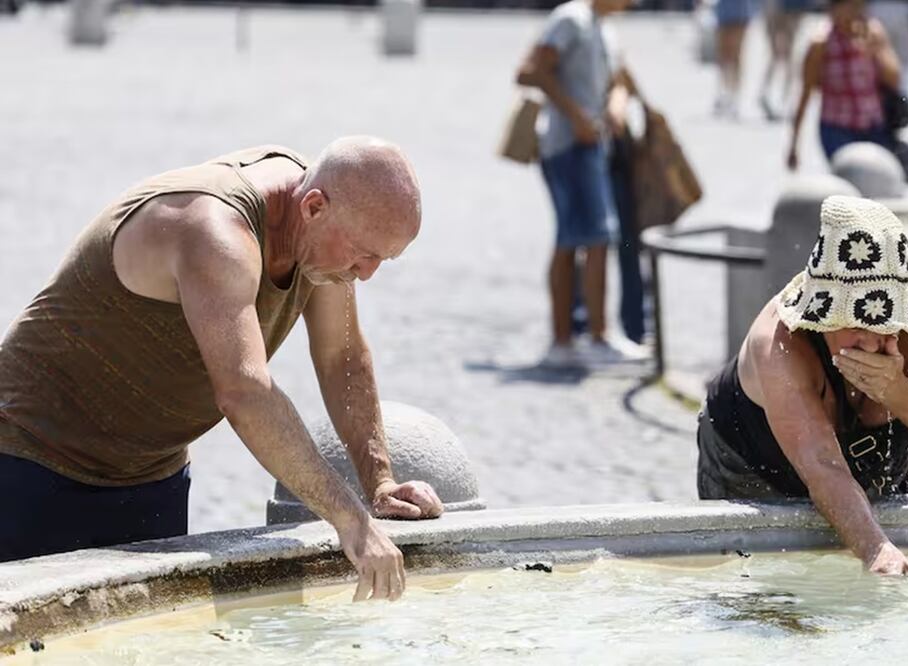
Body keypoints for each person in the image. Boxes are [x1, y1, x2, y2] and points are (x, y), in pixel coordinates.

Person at [0, 137, 444, 601]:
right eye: (365, 254)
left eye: (383, 259)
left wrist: (380, 482)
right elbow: (244, 392)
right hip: (31, 458)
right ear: (313, 207)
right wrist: (351, 521)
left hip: (150, 472)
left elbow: (342, 357)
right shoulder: (215, 230)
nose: (367, 273)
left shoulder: (326, 232)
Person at [697, 195, 908, 575]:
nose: (870, 343)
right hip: (753, 461)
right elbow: (823, 466)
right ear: (823, 316)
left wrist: (899, 393)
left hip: (885, 455)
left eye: (884, 324)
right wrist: (876, 550)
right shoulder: (780, 341)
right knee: (769, 593)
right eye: (856, 324)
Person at [516, 0, 649, 367]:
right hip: (568, 145)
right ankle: (586, 337)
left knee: (585, 239)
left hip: (589, 144)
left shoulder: (602, 26)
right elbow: (532, 71)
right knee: (585, 239)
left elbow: (618, 80)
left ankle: (577, 339)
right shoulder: (572, 19)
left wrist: (616, 104)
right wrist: (577, 117)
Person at [787, 0, 902, 170]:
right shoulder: (821, 43)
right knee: (849, 176)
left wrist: (874, 51)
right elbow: (806, 93)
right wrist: (794, 144)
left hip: (873, 124)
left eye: (860, 6)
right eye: (851, 6)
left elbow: (895, 79)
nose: (857, 11)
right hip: (837, 127)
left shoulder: (874, 34)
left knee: (876, 177)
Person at [759, 0, 809, 121]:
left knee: (788, 54)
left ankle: (784, 99)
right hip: (777, 7)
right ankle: (769, 94)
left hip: (791, 7)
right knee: (778, 54)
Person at [712, 0, 758, 118]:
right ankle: (724, 93)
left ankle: (734, 96)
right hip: (723, 15)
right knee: (723, 58)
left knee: (735, 57)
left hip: (739, 15)